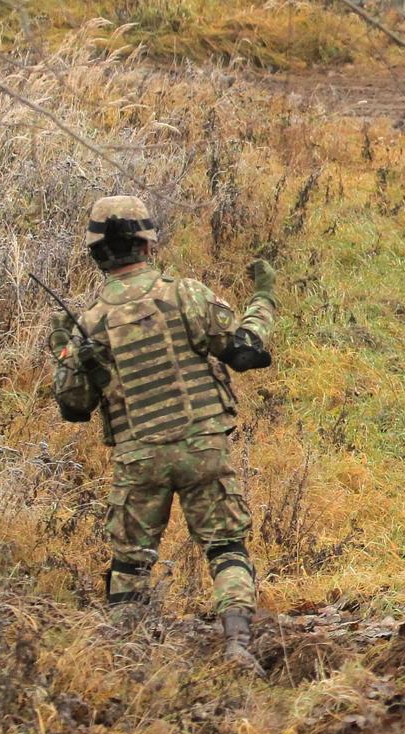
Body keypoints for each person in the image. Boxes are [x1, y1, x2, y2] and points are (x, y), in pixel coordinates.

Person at [49, 196, 277, 675]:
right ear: (147, 243)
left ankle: (127, 663)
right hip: (203, 449)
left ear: (95, 253)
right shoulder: (185, 296)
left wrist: (63, 351)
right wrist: (264, 296)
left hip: (139, 459)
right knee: (226, 548)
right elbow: (246, 352)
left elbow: (74, 409)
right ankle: (237, 645)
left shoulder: (89, 324)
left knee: (130, 565)